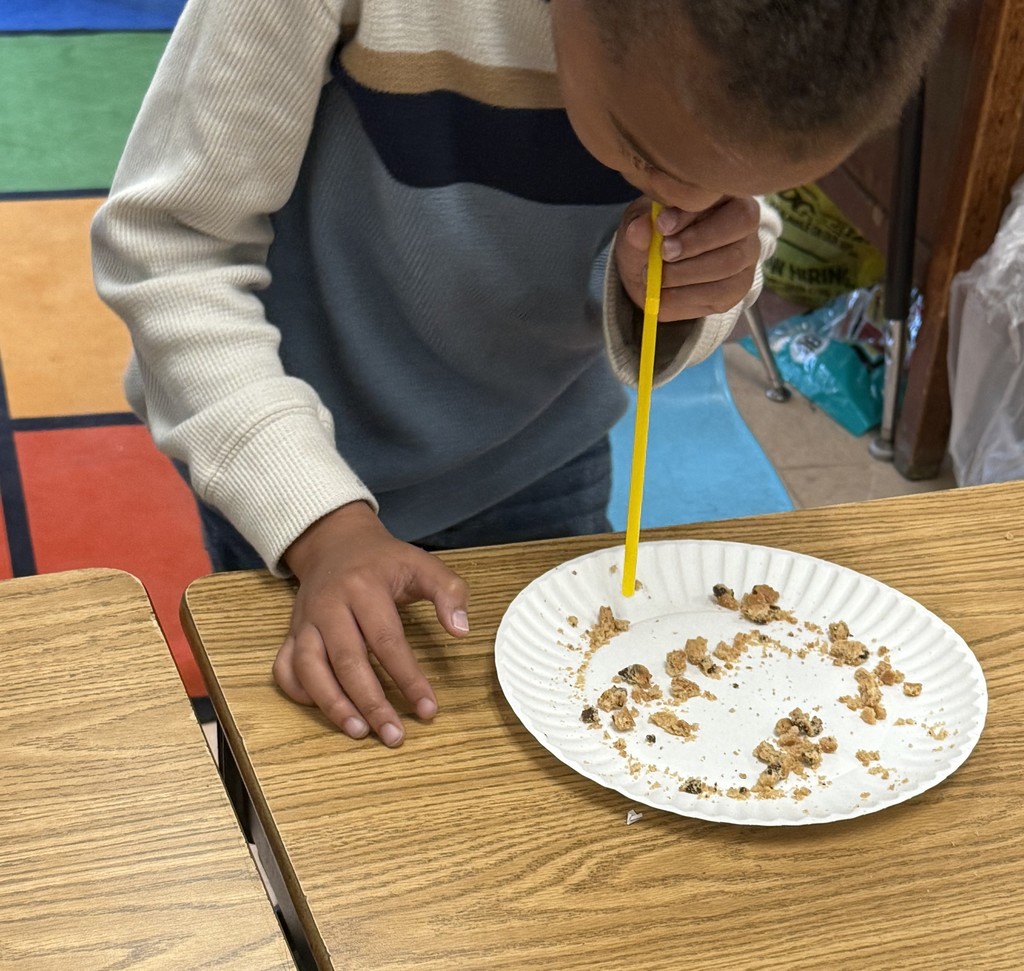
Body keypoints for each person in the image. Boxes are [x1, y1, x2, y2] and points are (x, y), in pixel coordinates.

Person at [92, 0, 953, 746]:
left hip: (541, 457)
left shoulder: (720, 77)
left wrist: (700, 281)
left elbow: (722, 202)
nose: (689, 199)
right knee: (309, 772)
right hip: (296, 471)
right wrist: (324, 527)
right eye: (648, 155)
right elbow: (170, 250)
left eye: (756, 187)